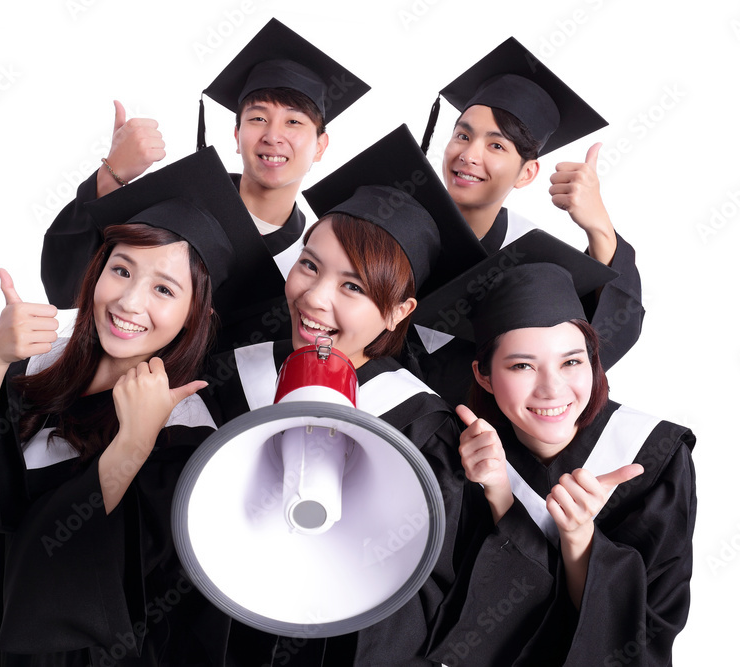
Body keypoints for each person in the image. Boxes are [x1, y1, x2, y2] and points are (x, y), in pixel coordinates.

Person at [0, 150, 266, 665]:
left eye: (164, 289)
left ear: (199, 313)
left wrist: (133, 443)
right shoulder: (37, 374)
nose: (129, 302)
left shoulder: (187, 433)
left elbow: (65, 570)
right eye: (121, 269)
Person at [199, 125, 487, 665]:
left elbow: (427, 598)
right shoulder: (224, 381)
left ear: (400, 311)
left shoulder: (424, 424)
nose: (314, 298)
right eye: (309, 264)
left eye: (353, 287)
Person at [417, 250, 696, 666]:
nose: (552, 390)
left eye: (571, 361)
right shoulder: (456, 456)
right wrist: (497, 493)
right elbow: (460, 627)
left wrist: (582, 539)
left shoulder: (655, 457)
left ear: (594, 363)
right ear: (483, 376)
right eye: (522, 366)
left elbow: (641, 638)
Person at [41, 17, 369, 352]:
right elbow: (66, 286)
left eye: (294, 122)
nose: (273, 136)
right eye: (258, 118)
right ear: (238, 135)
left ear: (321, 146)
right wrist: (111, 176)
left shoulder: (312, 258)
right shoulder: (175, 202)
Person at [412, 37, 645, 404]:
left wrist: (599, 228)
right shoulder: (393, 224)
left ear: (526, 173)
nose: (469, 154)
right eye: (462, 135)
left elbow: (597, 347)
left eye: (496, 145)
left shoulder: (528, 261)